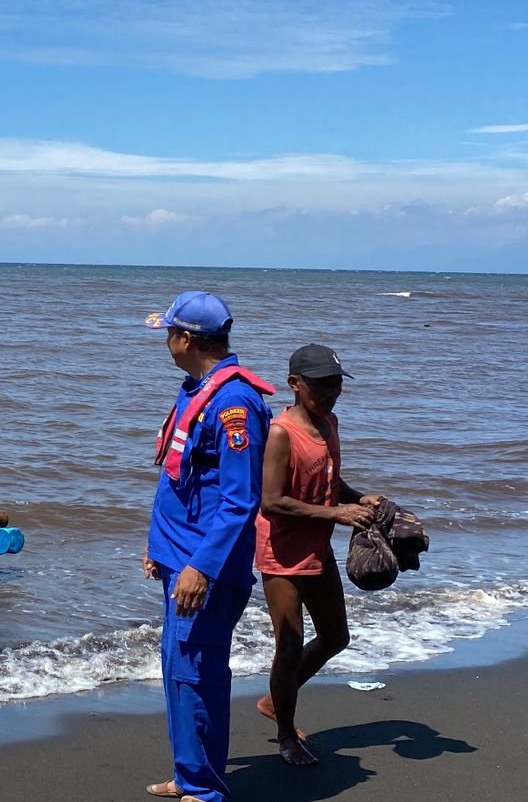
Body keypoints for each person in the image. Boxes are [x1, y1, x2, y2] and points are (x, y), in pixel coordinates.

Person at [141, 291, 274, 802]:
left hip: (205, 566)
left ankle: (205, 789)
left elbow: (240, 501)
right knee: (178, 669)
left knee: (198, 672)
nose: (165, 343)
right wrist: (157, 545)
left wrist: (202, 566)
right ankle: (189, 772)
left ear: (186, 339)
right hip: (178, 555)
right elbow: (182, 481)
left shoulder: (234, 403)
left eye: (168, 334)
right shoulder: (197, 390)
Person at [255, 344, 386, 766]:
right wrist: (336, 513)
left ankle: (276, 699)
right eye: (320, 386)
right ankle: (285, 735)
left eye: (336, 385)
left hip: (317, 548)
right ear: (295, 384)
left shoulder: (330, 423)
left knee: (336, 637)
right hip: (281, 552)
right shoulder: (280, 433)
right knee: (289, 644)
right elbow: (271, 501)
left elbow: (329, 482)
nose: (330, 393)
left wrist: (358, 498)